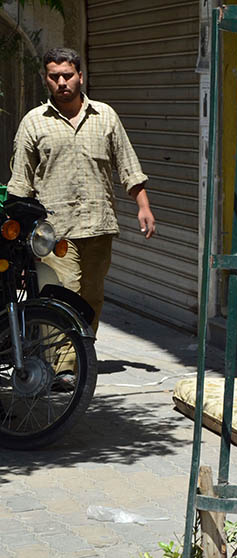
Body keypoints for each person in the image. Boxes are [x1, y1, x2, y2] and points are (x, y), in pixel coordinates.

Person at [6, 47, 155, 387]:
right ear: (46, 79)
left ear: (80, 76)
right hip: (54, 233)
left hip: (99, 225)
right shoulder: (33, 122)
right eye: (54, 76)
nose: (61, 82)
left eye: (67, 75)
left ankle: (79, 356)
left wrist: (143, 205)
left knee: (92, 297)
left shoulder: (105, 116)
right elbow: (20, 184)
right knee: (64, 294)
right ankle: (61, 369)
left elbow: (127, 165)